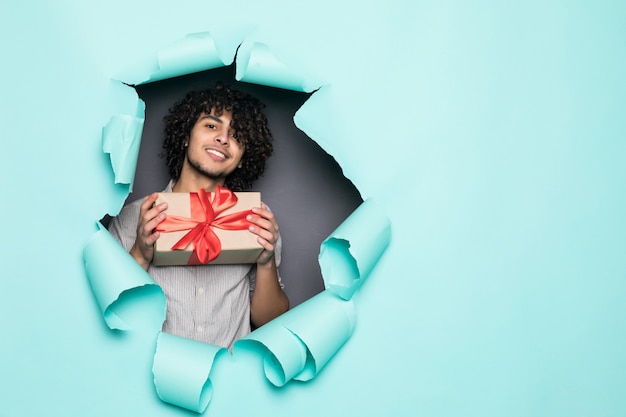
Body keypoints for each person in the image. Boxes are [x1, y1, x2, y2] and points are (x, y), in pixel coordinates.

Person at [108, 82, 289, 348]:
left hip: (229, 377)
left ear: (241, 158)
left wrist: (265, 260)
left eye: (237, 135)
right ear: (185, 135)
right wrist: (141, 253)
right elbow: (113, 311)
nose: (224, 139)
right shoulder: (133, 217)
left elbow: (269, 321)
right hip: (151, 375)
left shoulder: (256, 220)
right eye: (211, 126)